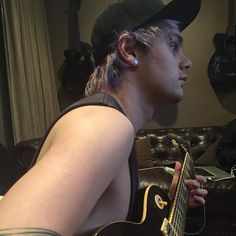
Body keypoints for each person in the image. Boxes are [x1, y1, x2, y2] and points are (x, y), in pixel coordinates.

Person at [0, 0, 208, 235]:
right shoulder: (105, 123)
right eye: (172, 45)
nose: (186, 62)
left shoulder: (114, 123)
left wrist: (171, 204)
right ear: (129, 50)